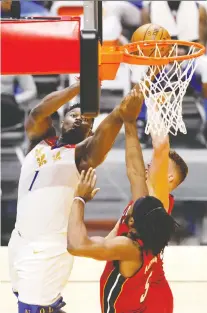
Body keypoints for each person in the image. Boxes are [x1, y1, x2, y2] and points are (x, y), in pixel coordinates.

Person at [8, 81, 144, 313]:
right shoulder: (38, 142)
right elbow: (38, 112)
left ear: (89, 132)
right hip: (19, 240)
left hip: (49, 249)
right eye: (74, 115)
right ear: (62, 121)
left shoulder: (81, 157)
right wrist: (77, 87)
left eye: (88, 120)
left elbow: (99, 143)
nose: (81, 119)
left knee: (32, 308)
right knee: (37, 304)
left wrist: (119, 113)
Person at [67, 88, 178, 313]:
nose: (129, 208)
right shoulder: (152, 221)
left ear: (133, 222)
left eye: (132, 211)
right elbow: (136, 173)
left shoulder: (128, 247)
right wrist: (129, 123)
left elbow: (77, 245)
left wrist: (79, 197)